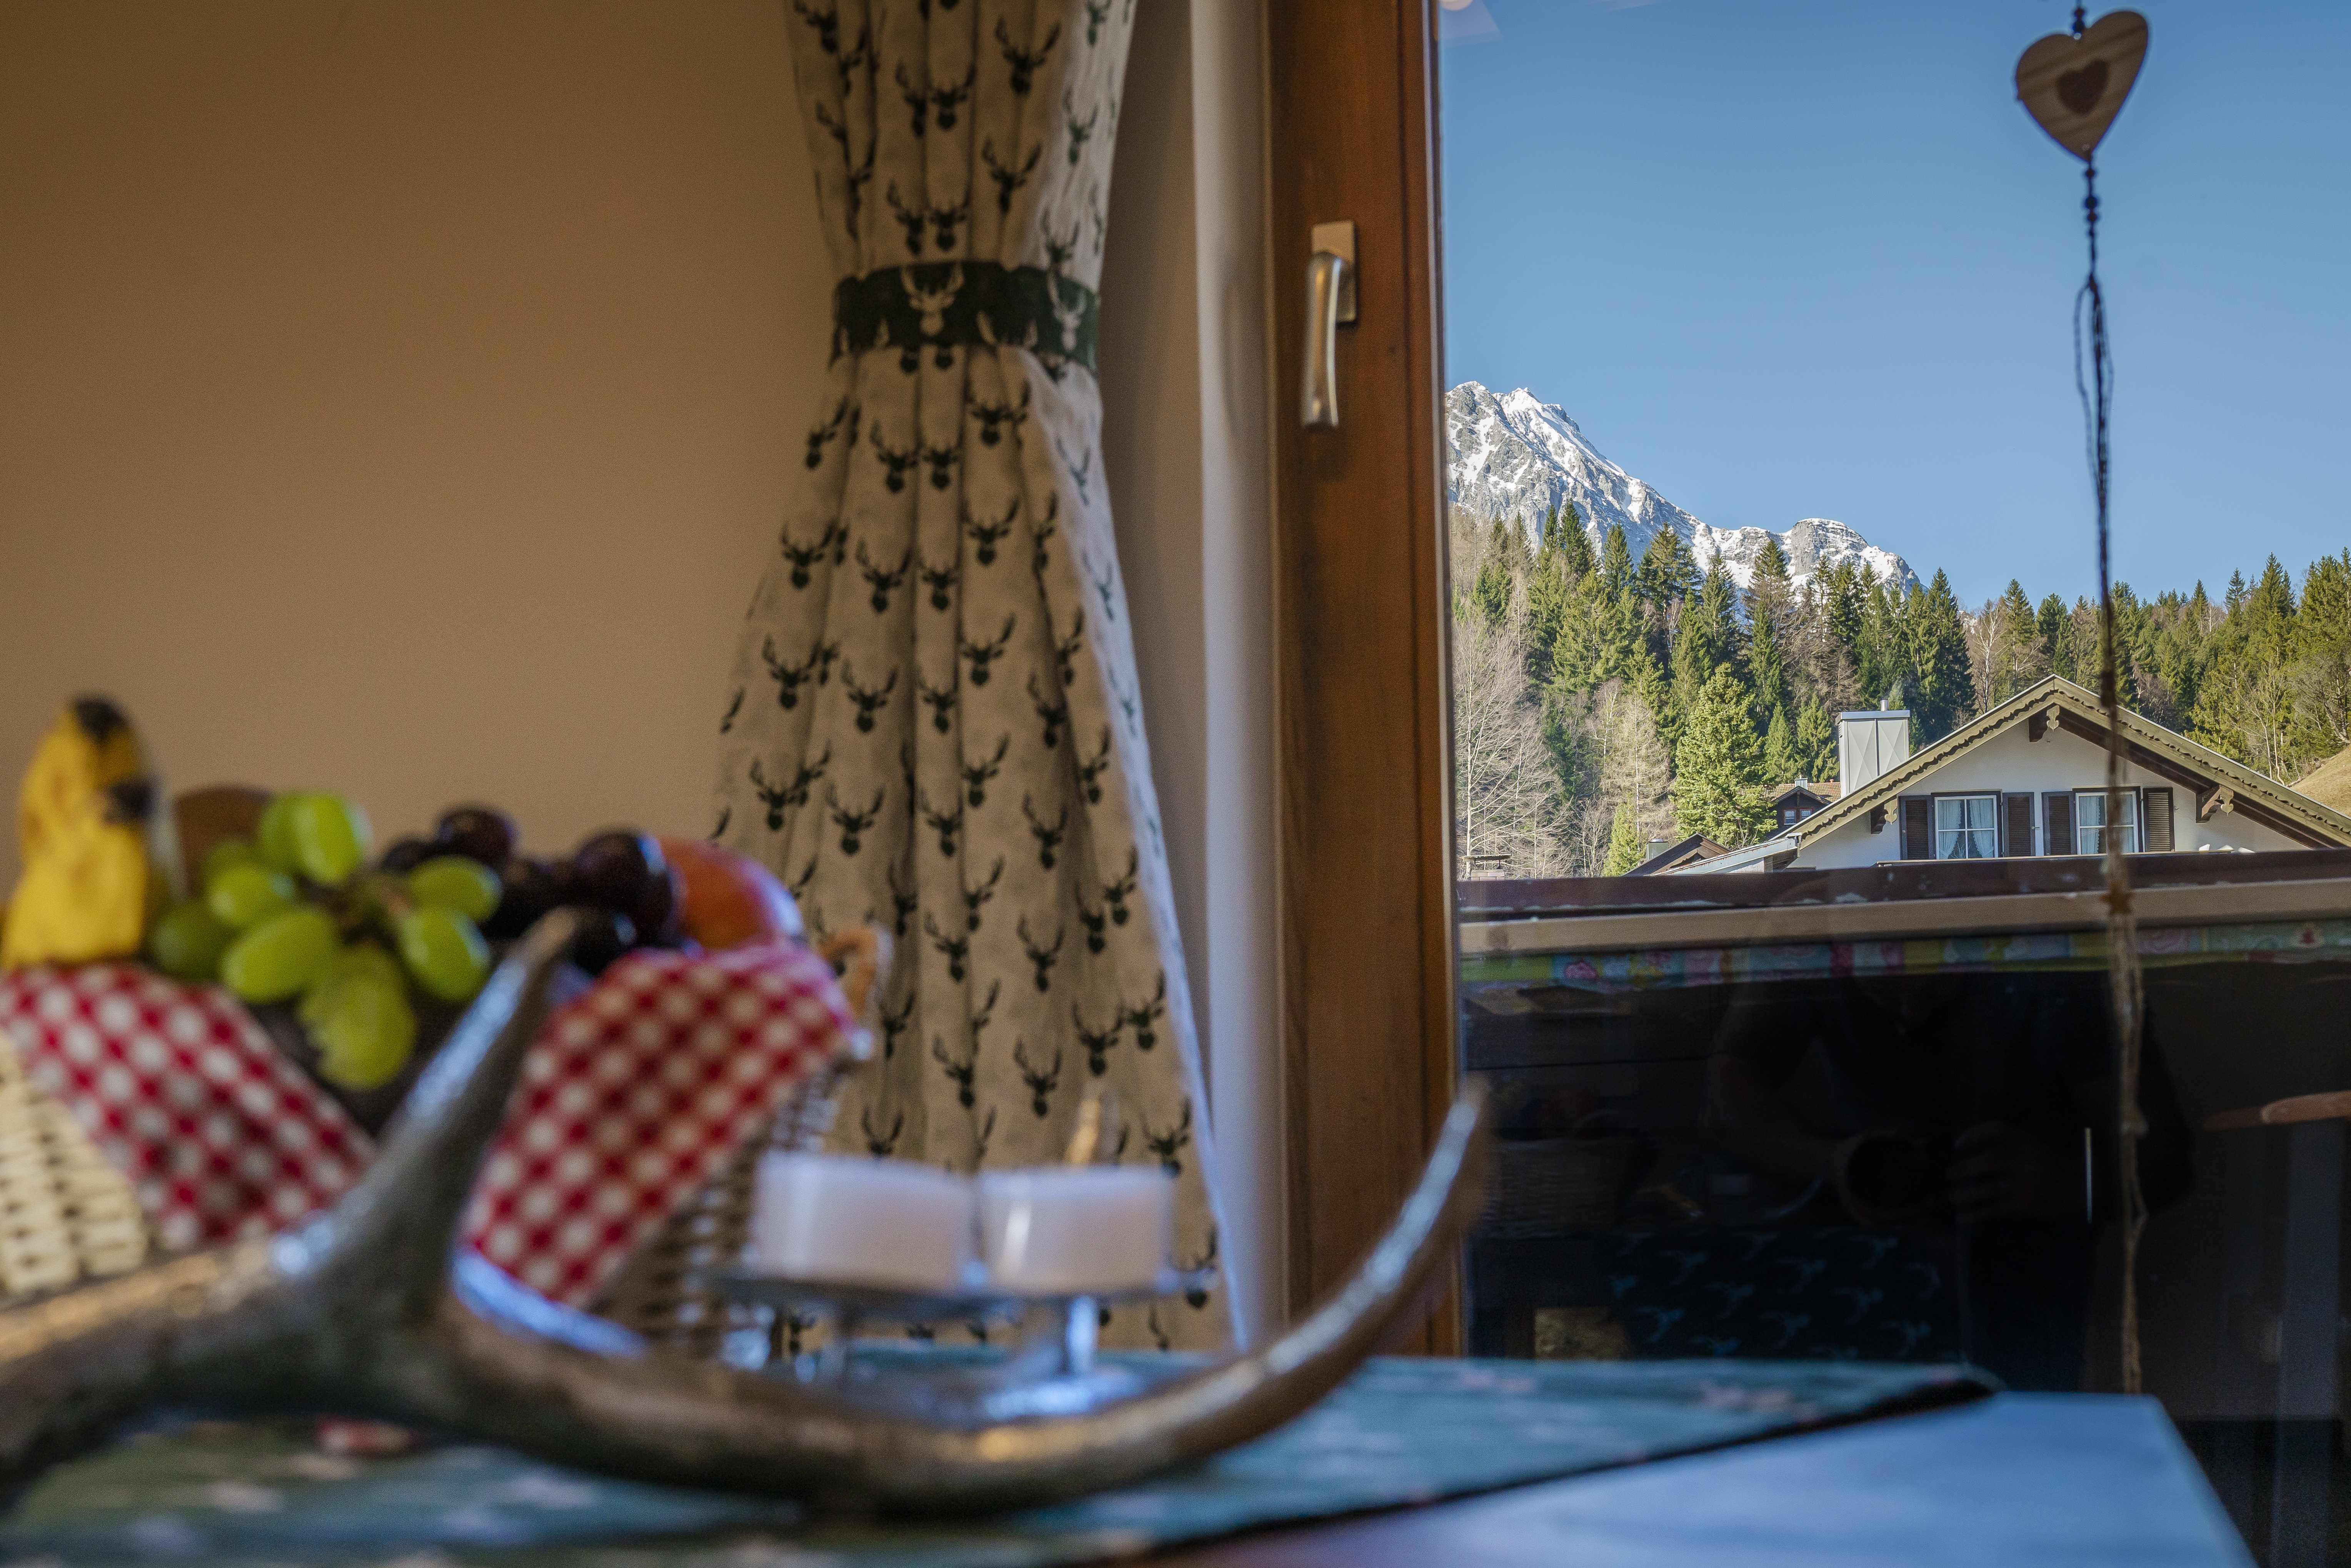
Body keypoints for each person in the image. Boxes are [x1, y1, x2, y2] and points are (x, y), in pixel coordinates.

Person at [1700, 970, 2193, 1390]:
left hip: (2017, 1281)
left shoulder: (2053, 964)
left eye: (1934, 984)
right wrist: (1837, 1165)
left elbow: (2165, 1162)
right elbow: (1727, 1088)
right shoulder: (1812, 931)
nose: (1909, 1010)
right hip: (1874, 1276)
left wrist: (2056, 1181)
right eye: (1883, 985)